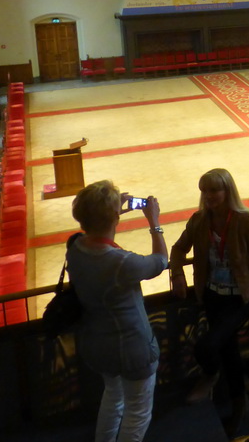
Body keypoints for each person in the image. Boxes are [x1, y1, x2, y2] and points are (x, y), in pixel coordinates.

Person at [67, 181, 168, 442]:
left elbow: (95, 234)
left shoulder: (75, 247)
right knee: (137, 412)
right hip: (132, 348)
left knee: (113, 397)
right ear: (115, 216)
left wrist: (106, 215)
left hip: (98, 344)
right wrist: (154, 221)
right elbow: (160, 262)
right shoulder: (121, 262)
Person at [170, 168, 249, 437]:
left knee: (208, 346)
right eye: (204, 190)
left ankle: (211, 375)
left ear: (228, 191)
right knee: (229, 351)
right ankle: (240, 404)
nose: (209, 196)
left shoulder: (246, 221)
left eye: (214, 190)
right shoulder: (199, 221)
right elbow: (178, 248)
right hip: (213, 296)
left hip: (239, 299)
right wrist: (177, 274)